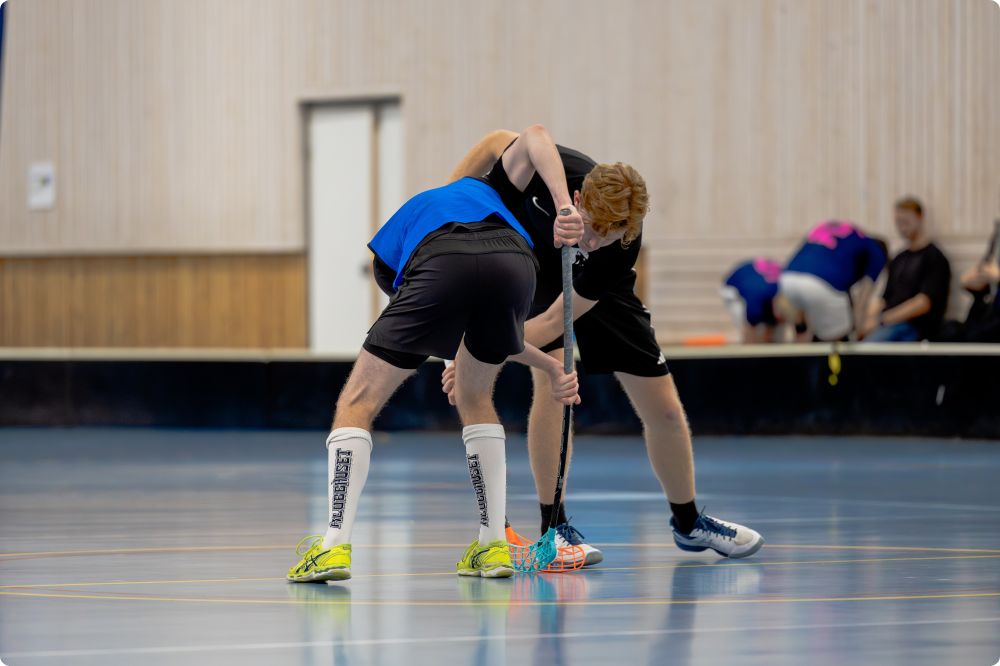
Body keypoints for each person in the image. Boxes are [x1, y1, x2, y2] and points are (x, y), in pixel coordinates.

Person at [443, 129, 765, 565]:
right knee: (555, 378)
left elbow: (556, 319)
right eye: (591, 229)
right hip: (536, 268)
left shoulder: (621, 243)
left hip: (596, 290)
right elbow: (497, 141)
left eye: (605, 239)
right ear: (577, 197)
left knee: (666, 410)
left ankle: (689, 523)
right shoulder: (552, 172)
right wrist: (447, 210)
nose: (591, 243)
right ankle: (554, 529)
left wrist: (480, 352)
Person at [287, 125, 584, 583]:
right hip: (516, 264)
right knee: (475, 396)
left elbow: (420, 295)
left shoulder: (409, 220)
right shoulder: (499, 197)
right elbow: (536, 134)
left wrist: (444, 352)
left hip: (439, 259)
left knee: (358, 400)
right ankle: (492, 546)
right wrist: (565, 205)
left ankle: (332, 546)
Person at [776, 220, 888, 341]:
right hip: (820, 283)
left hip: (787, 279)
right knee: (839, 338)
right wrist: (858, 331)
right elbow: (863, 299)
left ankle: (801, 343)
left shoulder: (848, 240)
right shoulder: (877, 253)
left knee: (805, 327)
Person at [861, 197, 951, 342]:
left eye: (906, 222)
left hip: (915, 326)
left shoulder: (934, 258)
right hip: (889, 323)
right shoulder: (899, 258)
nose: (902, 227)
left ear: (920, 218)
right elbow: (884, 299)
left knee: (868, 348)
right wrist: (866, 320)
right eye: (898, 222)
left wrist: (881, 320)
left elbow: (923, 304)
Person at [721, 258, 784, 343]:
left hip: (758, 284)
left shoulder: (783, 288)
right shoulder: (755, 299)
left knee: (774, 328)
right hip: (733, 288)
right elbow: (750, 325)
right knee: (748, 327)